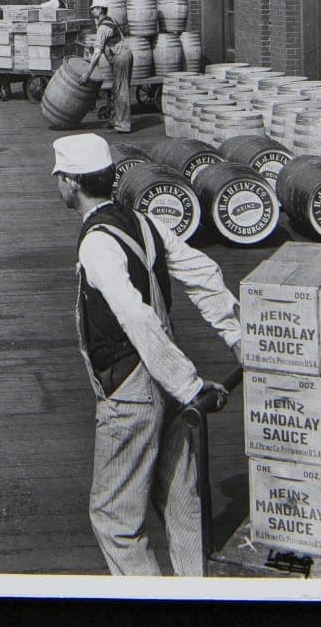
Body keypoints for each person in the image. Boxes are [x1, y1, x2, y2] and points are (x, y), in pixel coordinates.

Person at [51, 132, 241, 576]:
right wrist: (238, 337)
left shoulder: (96, 242)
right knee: (180, 499)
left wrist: (188, 383)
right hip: (168, 380)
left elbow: (135, 318)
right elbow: (202, 272)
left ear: (71, 183)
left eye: (60, 177)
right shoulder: (142, 222)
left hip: (132, 388)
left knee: (114, 516)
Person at [88, 0, 134, 134]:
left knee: (121, 90)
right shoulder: (110, 20)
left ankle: (124, 124)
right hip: (124, 54)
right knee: (116, 89)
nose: (92, 11)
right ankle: (115, 119)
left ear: (101, 9)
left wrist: (87, 73)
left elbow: (97, 54)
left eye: (94, 8)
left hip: (121, 57)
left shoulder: (103, 27)